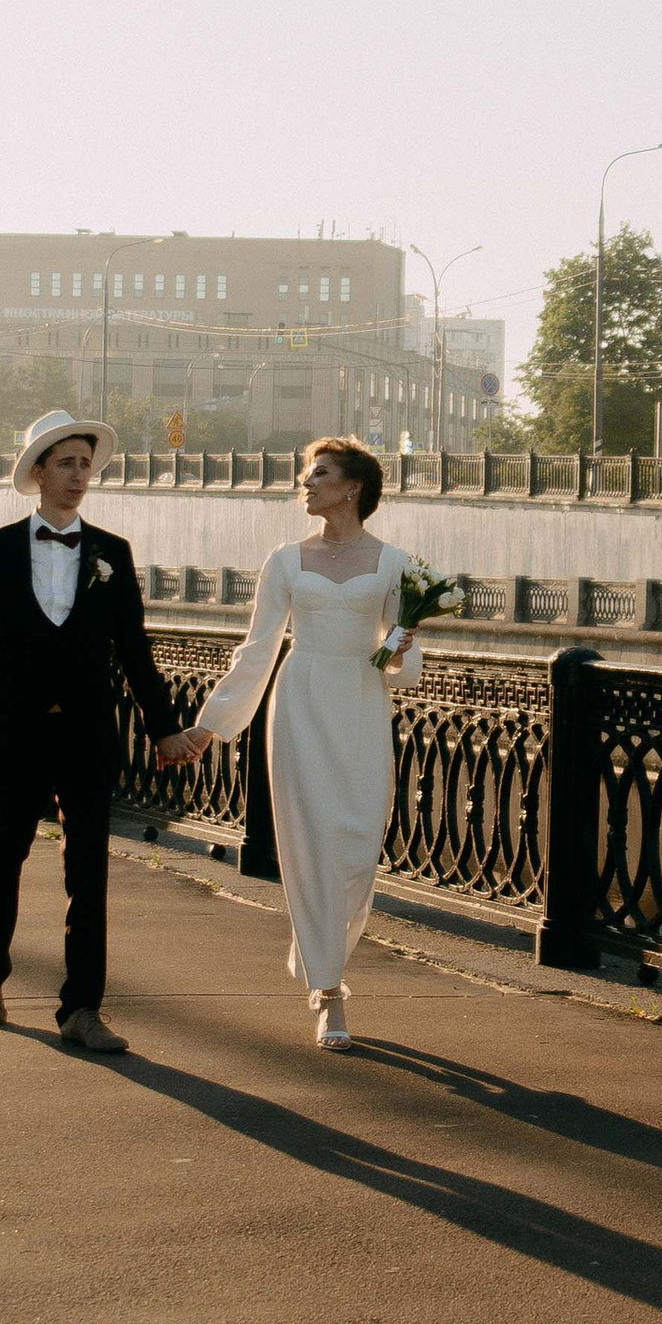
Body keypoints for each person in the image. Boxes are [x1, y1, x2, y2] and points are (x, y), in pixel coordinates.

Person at [0, 407, 195, 1055]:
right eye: (68, 463)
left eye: (86, 465)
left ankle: (82, 1009)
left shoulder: (112, 554)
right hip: (15, 730)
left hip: (86, 733)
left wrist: (164, 729)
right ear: (39, 471)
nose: (79, 476)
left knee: (88, 871)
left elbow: (134, 649)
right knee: (4, 856)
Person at [169, 437, 414, 1049]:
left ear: (352, 487)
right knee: (308, 846)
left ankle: (322, 956)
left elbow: (403, 671)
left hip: (360, 702)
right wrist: (212, 724)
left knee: (357, 848)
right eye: (307, 474)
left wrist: (402, 648)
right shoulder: (285, 560)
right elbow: (257, 650)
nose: (306, 483)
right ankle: (330, 993)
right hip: (300, 701)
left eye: (319, 474)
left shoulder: (395, 563)